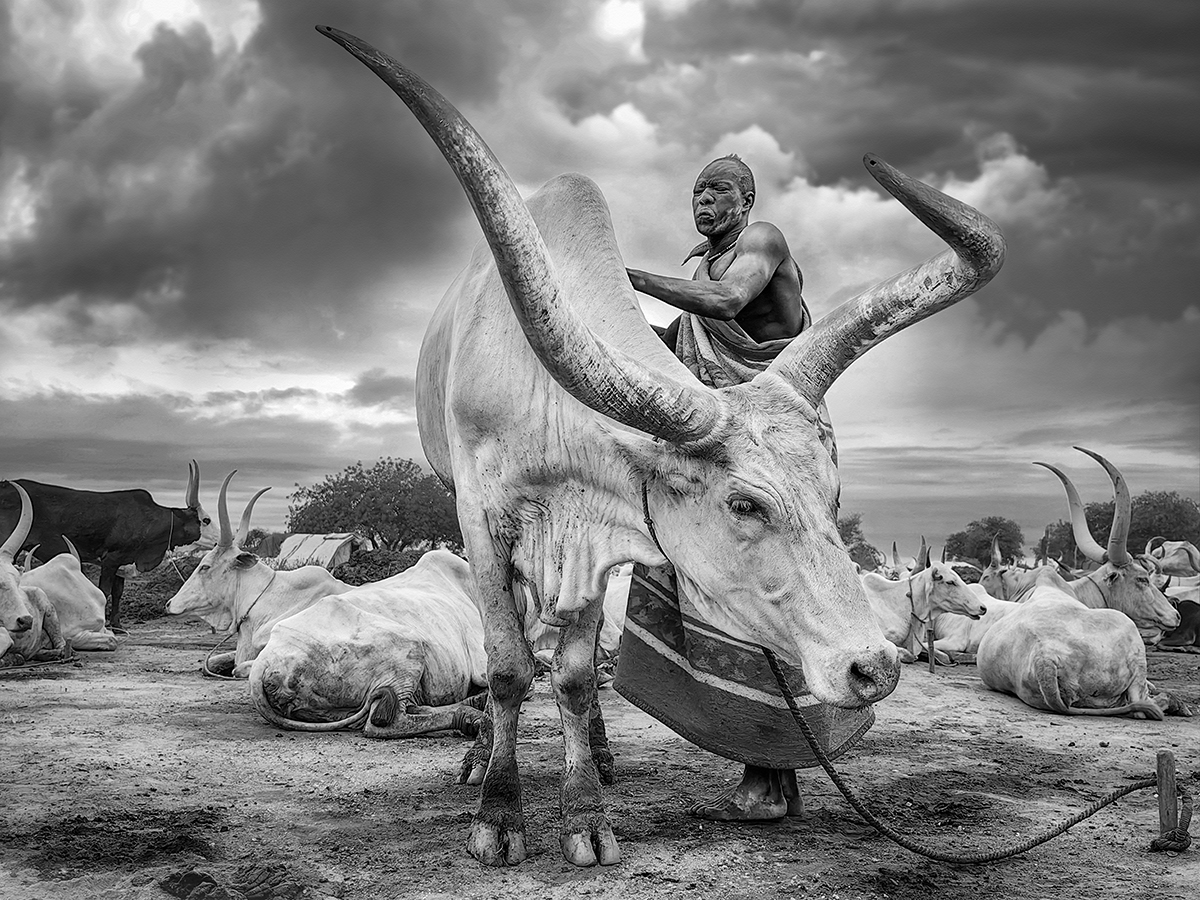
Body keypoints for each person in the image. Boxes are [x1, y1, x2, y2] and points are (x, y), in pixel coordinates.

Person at [620, 155, 854, 822]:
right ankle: (761, 766)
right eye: (696, 189)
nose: (704, 199)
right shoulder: (698, 266)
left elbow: (728, 303)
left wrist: (628, 276)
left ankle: (772, 775)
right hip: (727, 460)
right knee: (721, 601)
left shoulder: (762, 243)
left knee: (777, 602)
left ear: (747, 200)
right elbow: (678, 343)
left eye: (718, 189)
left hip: (782, 456)